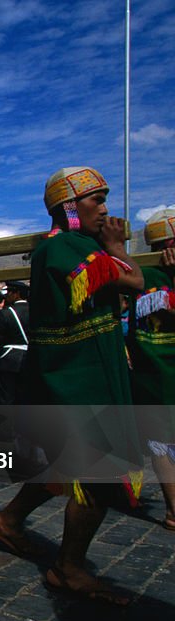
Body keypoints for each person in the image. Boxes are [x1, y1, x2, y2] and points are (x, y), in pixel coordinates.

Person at [0, 167, 144, 605]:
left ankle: (9, 521)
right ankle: (69, 568)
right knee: (98, 475)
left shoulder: (76, 247)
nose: (106, 209)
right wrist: (114, 248)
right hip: (75, 379)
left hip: (85, 373)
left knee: (62, 469)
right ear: (70, 208)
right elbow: (134, 281)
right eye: (97, 200)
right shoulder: (62, 250)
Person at [127, 208, 175, 531]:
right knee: (163, 442)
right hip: (155, 372)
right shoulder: (143, 277)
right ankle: (174, 509)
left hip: (155, 372)